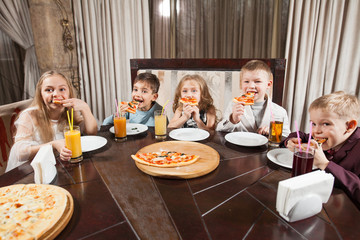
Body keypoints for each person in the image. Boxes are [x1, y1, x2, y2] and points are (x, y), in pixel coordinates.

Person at [6, 70, 98, 172]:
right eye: (49, 90)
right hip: (32, 171)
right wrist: (53, 145)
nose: (56, 94)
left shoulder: (70, 113)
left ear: (69, 93)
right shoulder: (29, 115)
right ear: (41, 95)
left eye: (62, 89)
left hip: (60, 169)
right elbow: (20, 153)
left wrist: (85, 108)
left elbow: (91, 132)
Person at [282, 91, 360, 209]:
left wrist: (325, 164)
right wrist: (291, 140)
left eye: (325, 124)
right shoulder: (324, 137)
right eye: (313, 124)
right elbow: (302, 135)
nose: (316, 131)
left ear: (349, 126)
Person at [216, 60, 290, 137]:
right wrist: (233, 120)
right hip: (239, 147)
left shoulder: (280, 112)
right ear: (241, 84)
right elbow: (219, 131)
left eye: (257, 81)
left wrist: (272, 132)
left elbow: (286, 138)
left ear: (268, 84)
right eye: (246, 81)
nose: (251, 86)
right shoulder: (234, 105)